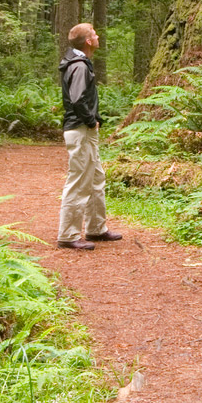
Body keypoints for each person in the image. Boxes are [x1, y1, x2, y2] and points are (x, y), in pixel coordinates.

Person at [56, 23, 122, 251]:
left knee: (95, 177)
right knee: (79, 180)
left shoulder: (80, 63)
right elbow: (76, 99)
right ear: (87, 41)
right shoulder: (79, 66)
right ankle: (68, 235)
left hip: (85, 129)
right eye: (94, 34)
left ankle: (96, 228)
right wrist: (90, 120)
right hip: (80, 129)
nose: (97, 36)